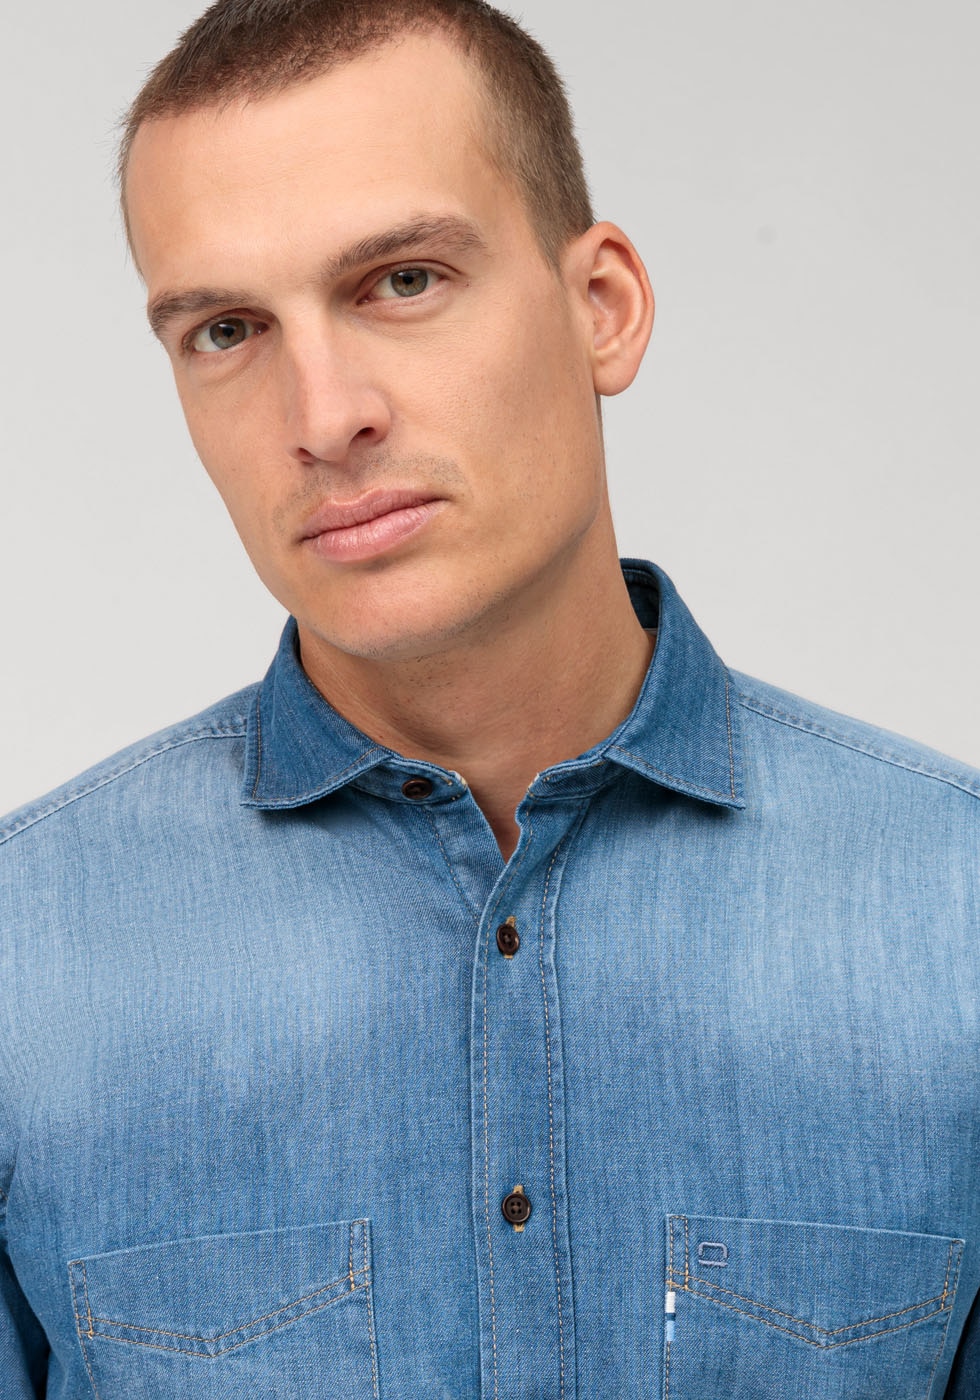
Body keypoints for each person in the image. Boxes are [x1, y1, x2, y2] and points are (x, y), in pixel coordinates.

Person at [0, 0, 977, 1395]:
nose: (322, 417)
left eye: (401, 280)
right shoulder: (23, 959)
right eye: (225, 328)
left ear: (603, 309)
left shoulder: (954, 910)